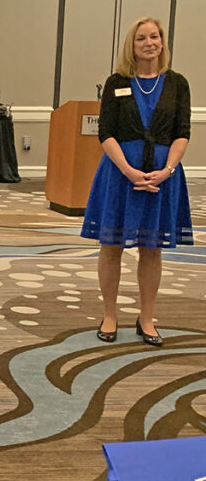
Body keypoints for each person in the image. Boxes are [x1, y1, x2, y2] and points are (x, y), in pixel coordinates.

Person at [81, 17, 192, 346]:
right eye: (141, 38)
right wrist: (128, 170)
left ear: (162, 41)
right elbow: (106, 133)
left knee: (152, 249)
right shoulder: (116, 82)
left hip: (162, 177)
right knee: (111, 246)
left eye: (154, 36)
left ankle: (146, 318)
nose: (149, 43)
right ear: (131, 45)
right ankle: (109, 315)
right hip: (120, 175)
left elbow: (182, 132)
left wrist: (168, 169)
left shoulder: (178, 83)